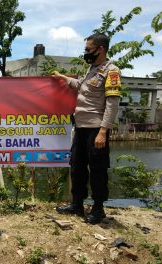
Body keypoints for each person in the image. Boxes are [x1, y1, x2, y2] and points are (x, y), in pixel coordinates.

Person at [52, 33, 121, 224]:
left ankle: (98, 209)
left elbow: (112, 103)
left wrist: (103, 131)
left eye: (88, 49)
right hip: (80, 127)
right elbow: (79, 86)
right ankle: (77, 204)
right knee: (77, 167)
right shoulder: (91, 69)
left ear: (100, 49)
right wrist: (62, 77)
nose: (86, 53)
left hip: (96, 129)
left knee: (97, 169)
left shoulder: (111, 71)